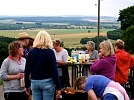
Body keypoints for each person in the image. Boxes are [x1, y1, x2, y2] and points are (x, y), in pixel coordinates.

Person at [24, 30, 61, 100]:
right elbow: (54, 71)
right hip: (47, 81)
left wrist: (27, 85)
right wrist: (58, 87)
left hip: (34, 81)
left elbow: (27, 70)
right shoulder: (50, 52)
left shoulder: (31, 52)